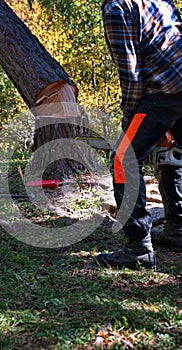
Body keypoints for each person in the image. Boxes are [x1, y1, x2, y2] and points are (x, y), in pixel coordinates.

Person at [96, 0, 182, 269]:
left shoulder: (116, 9)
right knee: (171, 145)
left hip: (164, 92)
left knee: (123, 159)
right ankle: (178, 229)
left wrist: (129, 119)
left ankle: (138, 249)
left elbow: (130, 75)